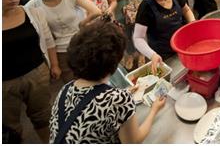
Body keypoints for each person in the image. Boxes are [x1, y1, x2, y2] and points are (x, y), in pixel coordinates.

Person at [49, 15, 166, 143]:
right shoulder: (118, 99)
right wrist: (154, 109)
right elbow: (134, 141)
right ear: (115, 61)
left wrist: (126, 92)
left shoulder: (65, 89)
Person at [2, 0, 60, 142]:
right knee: (9, 123)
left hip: (36, 72)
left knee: (43, 114)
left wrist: (54, 65)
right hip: (5, 81)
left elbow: (48, 40)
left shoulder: (32, 13)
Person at [25, 0, 101, 83]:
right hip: (60, 52)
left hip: (84, 45)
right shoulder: (35, 4)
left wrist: (82, 23)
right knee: (71, 84)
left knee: (95, 79)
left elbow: (96, 11)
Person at [133, 0, 196, 73]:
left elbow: (186, 10)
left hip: (183, 46)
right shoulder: (146, 7)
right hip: (162, 54)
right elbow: (138, 38)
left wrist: (192, 23)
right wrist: (151, 54)